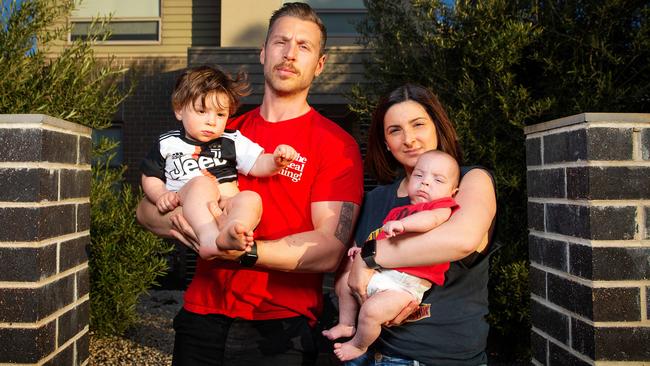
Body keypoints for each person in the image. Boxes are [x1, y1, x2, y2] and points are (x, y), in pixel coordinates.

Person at [136, 2, 364, 365]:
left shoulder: (336, 145)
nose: (290, 54)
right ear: (262, 52)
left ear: (319, 65)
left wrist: (245, 252)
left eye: (304, 46)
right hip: (200, 314)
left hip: (279, 326)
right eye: (280, 42)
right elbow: (146, 212)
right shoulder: (220, 130)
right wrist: (180, 222)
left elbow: (329, 247)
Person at [343, 83, 497, 365]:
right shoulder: (376, 199)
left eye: (418, 125)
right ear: (385, 143)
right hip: (368, 353)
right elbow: (349, 273)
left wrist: (368, 257)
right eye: (395, 130)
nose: (409, 139)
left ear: (437, 128)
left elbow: (462, 239)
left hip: (436, 358)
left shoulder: (469, 181)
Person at [140, 66, 298, 259]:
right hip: (187, 199)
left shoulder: (231, 139)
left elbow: (257, 164)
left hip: (225, 202)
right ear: (179, 110)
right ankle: (208, 238)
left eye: (220, 114)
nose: (211, 121)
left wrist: (275, 161)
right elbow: (150, 175)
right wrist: (161, 195)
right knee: (202, 183)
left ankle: (232, 231)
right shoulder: (168, 142)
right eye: (202, 111)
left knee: (250, 198)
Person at [323, 150, 461, 361]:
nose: (425, 183)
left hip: (406, 285)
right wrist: (362, 250)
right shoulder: (397, 212)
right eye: (419, 175)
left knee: (372, 311)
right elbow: (380, 242)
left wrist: (403, 225)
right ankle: (346, 323)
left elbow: (430, 220)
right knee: (343, 284)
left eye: (438, 179)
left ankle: (359, 344)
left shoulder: (441, 207)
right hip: (381, 272)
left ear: (453, 191)